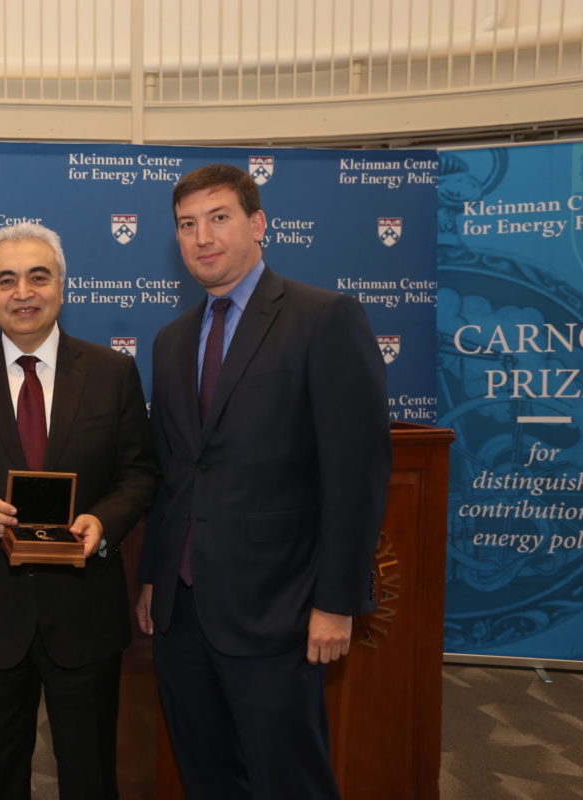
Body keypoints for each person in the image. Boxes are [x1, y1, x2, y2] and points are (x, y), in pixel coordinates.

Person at [135, 163, 391, 800]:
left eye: (218, 218)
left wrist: (336, 602)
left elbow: (355, 474)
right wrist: (152, 578)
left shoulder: (324, 317)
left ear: (258, 224)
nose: (202, 237)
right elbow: (176, 475)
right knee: (207, 777)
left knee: (289, 782)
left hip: (280, 610)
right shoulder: (169, 342)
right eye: (187, 226)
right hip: (182, 612)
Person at [0, 222, 159, 800]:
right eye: (6, 279)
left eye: (37, 276)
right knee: (0, 776)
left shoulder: (112, 373)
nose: (22, 292)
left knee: (90, 773)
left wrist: (106, 524)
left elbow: (141, 472)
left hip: (85, 612)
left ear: (62, 287)